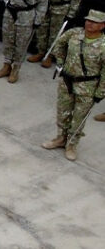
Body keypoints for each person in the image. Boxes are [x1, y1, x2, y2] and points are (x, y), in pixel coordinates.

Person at [42, 9, 105, 161]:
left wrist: (100, 93)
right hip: (67, 81)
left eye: (94, 22)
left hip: (87, 87)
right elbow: (59, 45)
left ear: (102, 26)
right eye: (88, 20)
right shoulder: (74, 33)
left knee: (79, 117)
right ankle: (60, 138)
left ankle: (71, 144)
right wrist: (61, 63)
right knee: (63, 112)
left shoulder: (103, 45)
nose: (90, 24)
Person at [0, 0, 48, 83]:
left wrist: (38, 20)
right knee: (8, 40)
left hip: (26, 16)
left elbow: (43, 3)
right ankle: (6, 65)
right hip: (10, 13)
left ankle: (16, 69)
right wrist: (6, 0)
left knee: (21, 44)